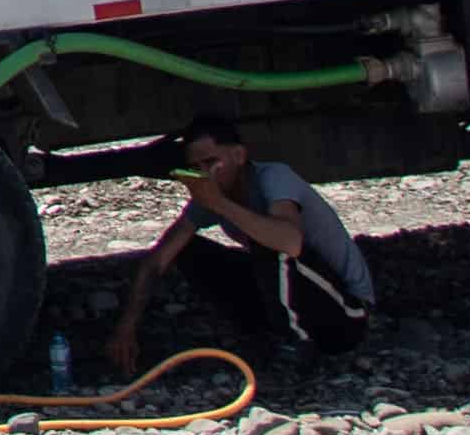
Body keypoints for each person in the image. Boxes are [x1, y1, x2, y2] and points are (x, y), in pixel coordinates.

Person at [108, 116, 373, 373]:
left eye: (211, 162)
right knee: (189, 250)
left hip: (346, 315)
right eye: (195, 167)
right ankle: (261, 333)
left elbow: (290, 242)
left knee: (267, 241)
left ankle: (294, 347)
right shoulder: (212, 196)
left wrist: (220, 204)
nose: (204, 173)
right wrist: (126, 327)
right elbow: (157, 260)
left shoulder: (273, 176)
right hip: (299, 297)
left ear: (238, 155)